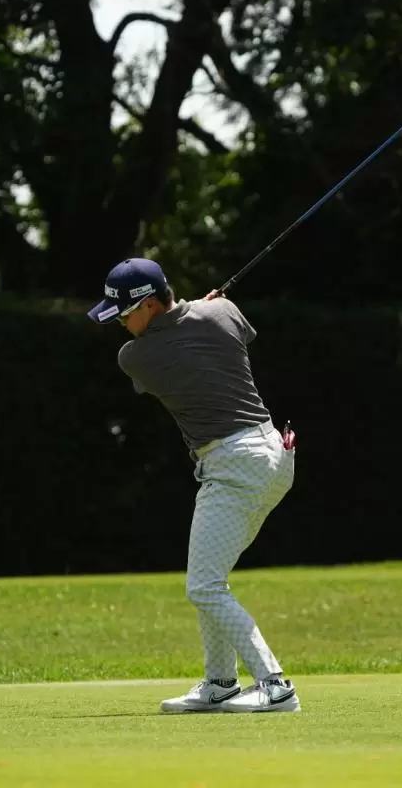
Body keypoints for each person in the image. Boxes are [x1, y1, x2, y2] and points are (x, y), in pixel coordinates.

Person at [88, 257, 299, 714]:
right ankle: (220, 682)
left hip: (235, 464)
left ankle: (275, 685)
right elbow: (229, 332)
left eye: (124, 314)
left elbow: (180, 340)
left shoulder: (136, 357)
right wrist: (200, 313)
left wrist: (191, 318)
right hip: (274, 455)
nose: (121, 325)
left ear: (147, 306)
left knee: (203, 586)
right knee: (211, 580)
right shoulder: (223, 312)